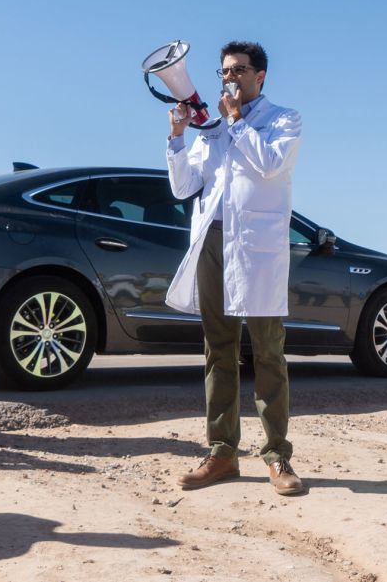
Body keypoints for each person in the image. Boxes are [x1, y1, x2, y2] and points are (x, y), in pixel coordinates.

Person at [165, 41, 306, 496]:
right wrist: (178, 137)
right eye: (224, 71)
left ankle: (277, 455)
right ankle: (222, 453)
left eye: (239, 70)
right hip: (212, 240)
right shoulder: (213, 129)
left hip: (258, 247)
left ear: (260, 76)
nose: (230, 78)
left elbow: (268, 164)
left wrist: (235, 121)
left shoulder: (283, 119)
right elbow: (185, 187)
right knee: (217, 349)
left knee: (267, 350)